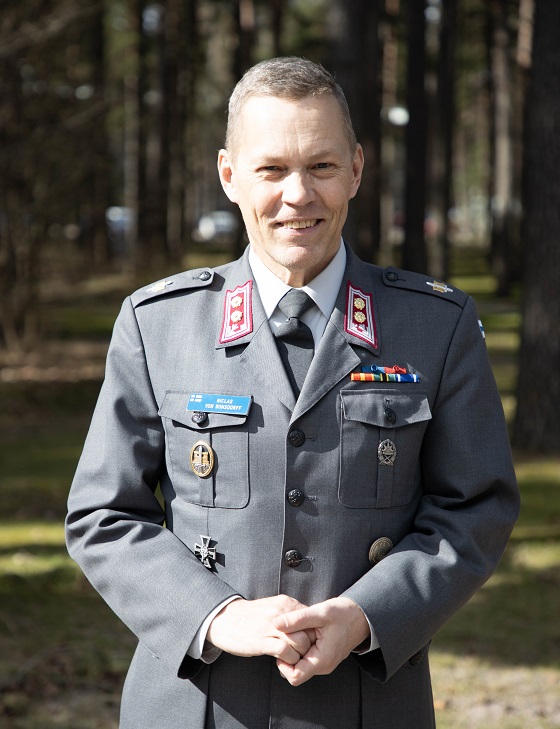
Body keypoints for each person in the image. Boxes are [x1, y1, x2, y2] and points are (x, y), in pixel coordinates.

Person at [66, 56, 519, 729]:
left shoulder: (435, 326)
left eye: (322, 167)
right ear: (229, 176)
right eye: (272, 169)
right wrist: (218, 615)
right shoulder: (157, 325)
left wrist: (368, 614)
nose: (298, 194)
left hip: (367, 699)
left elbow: (475, 508)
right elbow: (103, 515)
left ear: (357, 169)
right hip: (195, 704)